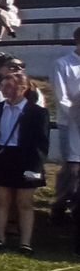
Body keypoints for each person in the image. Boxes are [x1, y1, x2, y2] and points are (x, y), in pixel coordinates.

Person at [0, 72, 48, 253]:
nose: (5, 90)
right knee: (1, 201)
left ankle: (25, 243)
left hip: (26, 159)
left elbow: (41, 143)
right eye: (3, 86)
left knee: (24, 202)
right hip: (2, 157)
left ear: (23, 88)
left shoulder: (37, 112)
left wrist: (35, 167)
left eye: (9, 86)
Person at [54, 28, 80, 215]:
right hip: (70, 123)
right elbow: (60, 96)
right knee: (71, 168)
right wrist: (76, 115)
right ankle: (60, 205)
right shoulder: (63, 64)